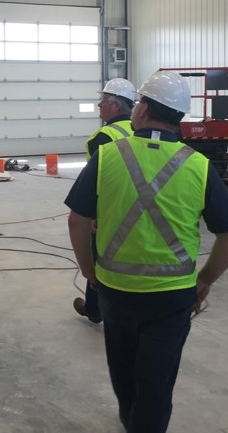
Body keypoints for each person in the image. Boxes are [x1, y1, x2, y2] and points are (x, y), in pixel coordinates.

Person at [65, 70, 228, 433]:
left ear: (142, 110)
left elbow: (77, 220)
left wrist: (88, 268)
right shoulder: (198, 165)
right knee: (157, 381)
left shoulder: (108, 155)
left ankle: (131, 420)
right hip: (172, 296)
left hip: (115, 289)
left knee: (124, 369)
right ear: (179, 118)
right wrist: (205, 280)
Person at [73, 78, 136, 325]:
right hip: (142, 207)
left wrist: (92, 215)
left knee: (98, 259)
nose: (99, 105)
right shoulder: (139, 129)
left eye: (103, 101)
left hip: (111, 210)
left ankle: (95, 309)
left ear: (115, 106)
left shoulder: (103, 136)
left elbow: (98, 184)